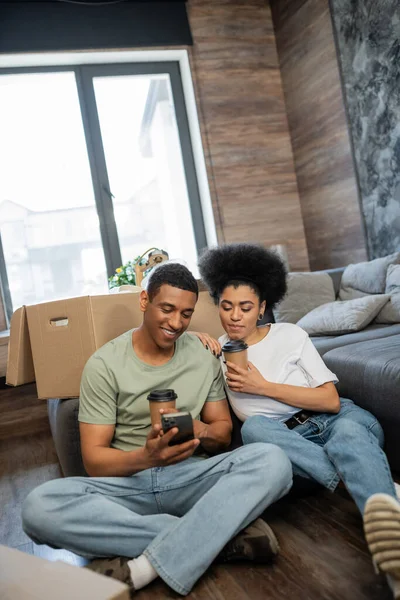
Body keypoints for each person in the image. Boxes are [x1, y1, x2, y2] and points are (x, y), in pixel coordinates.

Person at [22, 262, 292, 597]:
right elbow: (94, 461)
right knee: (38, 508)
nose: (176, 323)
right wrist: (147, 456)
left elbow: (222, 434)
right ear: (144, 301)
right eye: (167, 309)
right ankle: (220, 535)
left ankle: (142, 568)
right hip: (127, 488)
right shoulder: (104, 365)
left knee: (273, 460)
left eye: (186, 314)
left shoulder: (203, 355)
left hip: (190, 479)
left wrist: (200, 431)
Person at [198, 242, 400, 599]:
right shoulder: (217, 351)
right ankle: (376, 486)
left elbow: (331, 401)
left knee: (348, 436)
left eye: (245, 307)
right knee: (256, 428)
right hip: (293, 447)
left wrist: (263, 387)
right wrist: (192, 338)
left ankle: (394, 562)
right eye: (226, 306)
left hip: (337, 421)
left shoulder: (289, 334)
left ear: (262, 308)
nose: (234, 316)